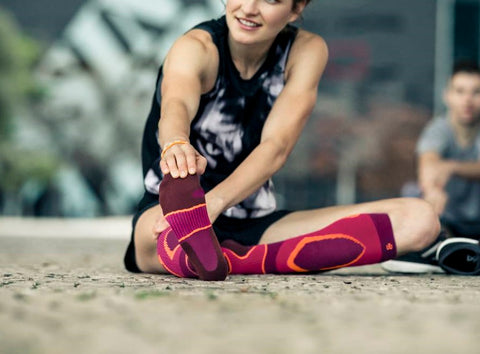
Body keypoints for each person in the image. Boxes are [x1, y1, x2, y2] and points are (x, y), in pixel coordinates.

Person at [124, 0, 440, 281]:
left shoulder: (305, 51)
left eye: (271, 0)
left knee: (420, 220)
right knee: (156, 238)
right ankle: (253, 259)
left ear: (296, 8)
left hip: (251, 220)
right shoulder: (196, 47)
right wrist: (176, 144)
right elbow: (176, 105)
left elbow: (275, 147)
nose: (249, 8)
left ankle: (231, 259)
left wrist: (214, 204)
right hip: (176, 211)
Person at [382, 61, 480, 275]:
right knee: (414, 191)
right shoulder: (439, 129)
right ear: (447, 96)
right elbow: (428, 161)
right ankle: (436, 244)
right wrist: (432, 188)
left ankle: (444, 249)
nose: (467, 100)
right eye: (460, 91)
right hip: (450, 219)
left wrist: (451, 167)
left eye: (476, 92)